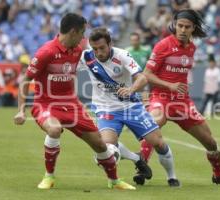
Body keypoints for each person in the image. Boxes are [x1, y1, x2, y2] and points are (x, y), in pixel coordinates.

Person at [13, 13, 135, 190]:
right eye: (82, 33)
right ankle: (49, 177)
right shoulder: (46, 52)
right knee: (54, 129)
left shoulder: (79, 51)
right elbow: (25, 80)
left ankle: (114, 181)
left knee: (100, 144)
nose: (83, 37)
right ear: (73, 32)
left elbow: (100, 67)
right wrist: (21, 110)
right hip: (46, 104)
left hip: (72, 105)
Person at [136, 9, 220, 186]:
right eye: (179, 26)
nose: (182, 30)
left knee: (210, 141)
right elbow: (147, 74)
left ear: (193, 28)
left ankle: (218, 175)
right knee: (151, 127)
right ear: (175, 25)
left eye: (186, 27)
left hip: (182, 101)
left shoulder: (192, 47)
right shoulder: (163, 45)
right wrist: (169, 85)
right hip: (162, 97)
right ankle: (142, 169)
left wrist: (178, 87)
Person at [78, 27, 180, 187]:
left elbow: (142, 78)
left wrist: (131, 89)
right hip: (106, 108)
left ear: (110, 44)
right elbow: (65, 65)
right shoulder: (86, 57)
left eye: (102, 48)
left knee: (158, 143)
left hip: (131, 106)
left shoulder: (122, 55)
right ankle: (137, 159)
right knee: (107, 147)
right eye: (95, 48)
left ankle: (172, 177)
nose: (98, 52)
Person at [126, 32, 151, 105]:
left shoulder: (147, 50)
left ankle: (147, 111)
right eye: (132, 40)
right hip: (131, 78)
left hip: (144, 77)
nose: (134, 42)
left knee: (145, 99)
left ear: (139, 40)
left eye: (136, 40)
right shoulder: (127, 51)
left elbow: (151, 63)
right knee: (130, 100)